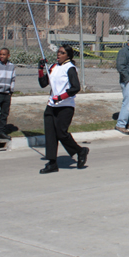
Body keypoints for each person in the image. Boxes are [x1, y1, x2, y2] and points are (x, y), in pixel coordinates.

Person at [37, 45, 89, 174]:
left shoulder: (70, 68)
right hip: (51, 106)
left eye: (62, 52)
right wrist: (40, 69)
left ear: (68, 55)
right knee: (50, 134)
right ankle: (52, 163)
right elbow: (43, 83)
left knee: (61, 133)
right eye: (58, 52)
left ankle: (80, 151)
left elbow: (76, 87)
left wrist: (61, 97)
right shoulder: (53, 67)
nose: (58, 54)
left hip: (65, 106)